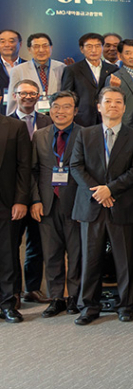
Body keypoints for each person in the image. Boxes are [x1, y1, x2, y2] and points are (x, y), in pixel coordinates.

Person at [70, 88, 133, 324]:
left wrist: (110, 189)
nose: (113, 105)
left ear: (124, 108)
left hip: (123, 205)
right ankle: (89, 307)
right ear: (99, 106)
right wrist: (99, 192)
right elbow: (76, 166)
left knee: (125, 260)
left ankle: (125, 304)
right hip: (92, 207)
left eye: (118, 102)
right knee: (90, 260)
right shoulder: (85, 134)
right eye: (108, 101)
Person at [28, 91, 81, 317]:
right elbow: (33, 170)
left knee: (76, 253)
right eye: (56, 107)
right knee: (51, 254)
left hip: (75, 203)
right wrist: (36, 200)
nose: (61, 111)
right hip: (47, 203)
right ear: (49, 110)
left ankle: (75, 298)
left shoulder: (85, 134)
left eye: (67, 107)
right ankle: (56, 297)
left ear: (75, 111)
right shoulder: (39, 136)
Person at [10, 79, 50, 301]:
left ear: (38, 97)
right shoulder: (5, 123)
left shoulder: (48, 121)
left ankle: (32, 289)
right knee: (11, 246)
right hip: (14, 195)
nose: (27, 97)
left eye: (32, 93)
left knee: (37, 243)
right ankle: (13, 291)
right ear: (15, 96)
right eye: (23, 93)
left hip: (39, 195)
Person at [0, 107, 32, 323]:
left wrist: (21, 200)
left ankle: (8, 303)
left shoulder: (15, 126)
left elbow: (24, 167)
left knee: (7, 254)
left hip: (7, 202)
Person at [7, 32, 67, 117]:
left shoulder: (62, 67)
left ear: (51, 47)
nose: (41, 50)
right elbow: (12, 100)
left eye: (45, 46)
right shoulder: (18, 70)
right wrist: (10, 123)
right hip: (30, 116)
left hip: (57, 116)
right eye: (36, 46)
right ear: (29, 49)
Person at [107, 39, 133, 130]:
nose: (132, 56)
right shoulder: (113, 78)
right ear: (119, 56)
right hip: (126, 124)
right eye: (128, 53)